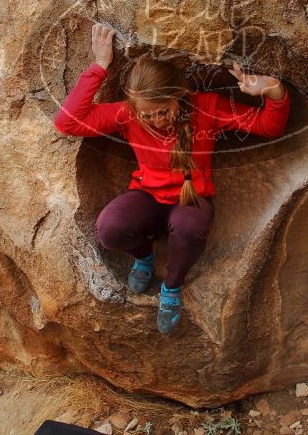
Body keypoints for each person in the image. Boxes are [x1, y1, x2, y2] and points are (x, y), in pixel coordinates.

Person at [54, 23, 291, 333]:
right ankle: (144, 257)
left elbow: (268, 126)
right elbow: (67, 122)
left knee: (189, 228)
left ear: (179, 96)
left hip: (191, 199)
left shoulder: (206, 108)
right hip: (148, 196)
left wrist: (273, 91)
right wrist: (100, 65)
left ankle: (172, 286)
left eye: (162, 111)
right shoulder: (128, 114)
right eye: (147, 115)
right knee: (109, 229)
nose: (155, 120)